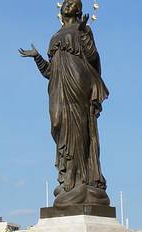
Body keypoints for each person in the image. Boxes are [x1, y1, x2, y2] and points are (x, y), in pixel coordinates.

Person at [19, 0, 110, 208]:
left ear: (78, 10)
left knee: (78, 129)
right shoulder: (55, 36)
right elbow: (50, 72)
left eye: (72, 2)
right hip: (58, 88)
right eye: (66, 2)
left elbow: (93, 58)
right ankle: (69, 176)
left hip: (78, 83)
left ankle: (79, 179)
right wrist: (37, 58)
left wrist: (84, 34)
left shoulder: (83, 29)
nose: (68, 4)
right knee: (58, 125)